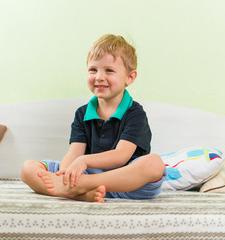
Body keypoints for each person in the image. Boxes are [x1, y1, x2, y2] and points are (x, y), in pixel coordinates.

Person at [21, 34, 167, 203]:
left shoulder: (135, 113)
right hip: (86, 174)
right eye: (93, 70)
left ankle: (81, 187)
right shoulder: (82, 114)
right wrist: (65, 175)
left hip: (126, 183)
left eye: (109, 70)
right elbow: (74, 153)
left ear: (130, 77)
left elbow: (121, 156)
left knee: (155, 164)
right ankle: (78, 192)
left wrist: (84, 162)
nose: (99, 77)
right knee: (28, 169)